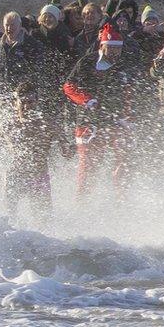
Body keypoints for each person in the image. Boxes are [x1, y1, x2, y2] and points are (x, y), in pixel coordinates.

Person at [0, 81, 73, 225]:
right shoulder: (7, 124)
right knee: (10, 218)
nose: (27, 106)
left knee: (44, 221)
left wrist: (73, 148)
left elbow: (66, 152)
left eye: (31, 102)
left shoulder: (48, 124)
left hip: (39, 176)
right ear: (15, 103)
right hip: (14, 175)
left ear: (36, 102)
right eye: (23, 102)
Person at [62, 23, 133, 197]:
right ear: (102, 46)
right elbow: (68, 86)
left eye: (118, 50)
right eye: (111, 49)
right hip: (89, 123)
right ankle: (82, 202)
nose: (115, 54)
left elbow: (128, 93)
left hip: (113, 121)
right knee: (89, 166)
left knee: (125, 158)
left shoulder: (122, 65)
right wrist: (86, 99)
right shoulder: (87, 61)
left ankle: (121, 197)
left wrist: (128, 117)